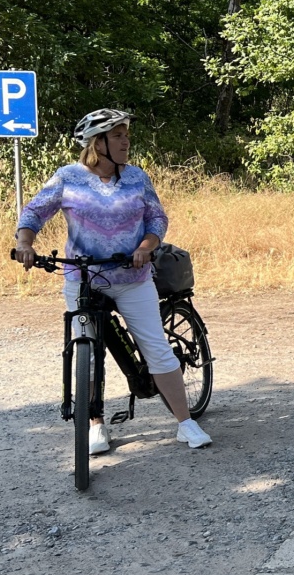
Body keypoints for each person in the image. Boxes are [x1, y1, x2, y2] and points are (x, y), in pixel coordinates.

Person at [14, 108, 212, 453]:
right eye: (118, 135)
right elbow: (34, 211)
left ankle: (185, 422)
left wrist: (146, 247)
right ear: (97, 143)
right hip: (84, 279)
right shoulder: (67, 177)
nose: (126, 141)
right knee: (87, 350)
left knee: (156, 348)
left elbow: (156, 219)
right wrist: (24, 244)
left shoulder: (137, 178)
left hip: (133, 277)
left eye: (126, 135)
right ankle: (95, 425)